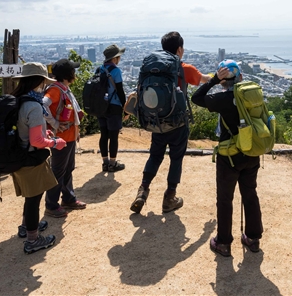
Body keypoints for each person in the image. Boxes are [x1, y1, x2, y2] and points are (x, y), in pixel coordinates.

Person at [130, 31, 208, 214]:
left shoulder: (152, 67)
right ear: (179, 49)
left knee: (155, 156)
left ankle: (143, 190)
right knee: (176, 158)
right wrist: (215, 78)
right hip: (178, 123)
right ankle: (169, 197)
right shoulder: (184, 68)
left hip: (156, 120)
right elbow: (203, 80)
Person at [191, 60, 263, 257]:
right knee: (250, 194)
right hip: (251, 152)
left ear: (223, 81)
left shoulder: (223, 98)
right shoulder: (252, 95)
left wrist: (214, 79)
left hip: (229, 156)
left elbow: (196, 97)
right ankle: (253, 238)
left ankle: (223, 242)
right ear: (240, 77)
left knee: (225, 199)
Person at [11, 62, 66, 254]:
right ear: (40, 80)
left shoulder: (17, 100)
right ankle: (33, 240)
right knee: (34, 200)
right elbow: (36, 139)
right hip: (31, 159)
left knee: (29, 196)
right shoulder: (33, 106)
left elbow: (27, 133)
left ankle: (26, 226)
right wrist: (54, 142)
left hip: (18, 155)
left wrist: (45, 136)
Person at [43, 58, 87, 218]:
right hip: (61, 138)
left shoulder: (64, 89)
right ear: (68, 74)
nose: (75, 73)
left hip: (69, 136)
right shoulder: (55, 90)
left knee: (68, 169)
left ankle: (68, 199)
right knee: (58, 171)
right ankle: (51, 205)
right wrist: (54, 123)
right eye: (73, 71)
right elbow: (42, 104)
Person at [96, 44, 127, 173]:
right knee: (113, 136)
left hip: (101, 107)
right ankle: (113, 164)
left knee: (104, 135)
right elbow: (120, 91)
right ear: (115, 58)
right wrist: (125, 108)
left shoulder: (99, 69)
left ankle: (105, 163)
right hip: (113, 107)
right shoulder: (116, 71)